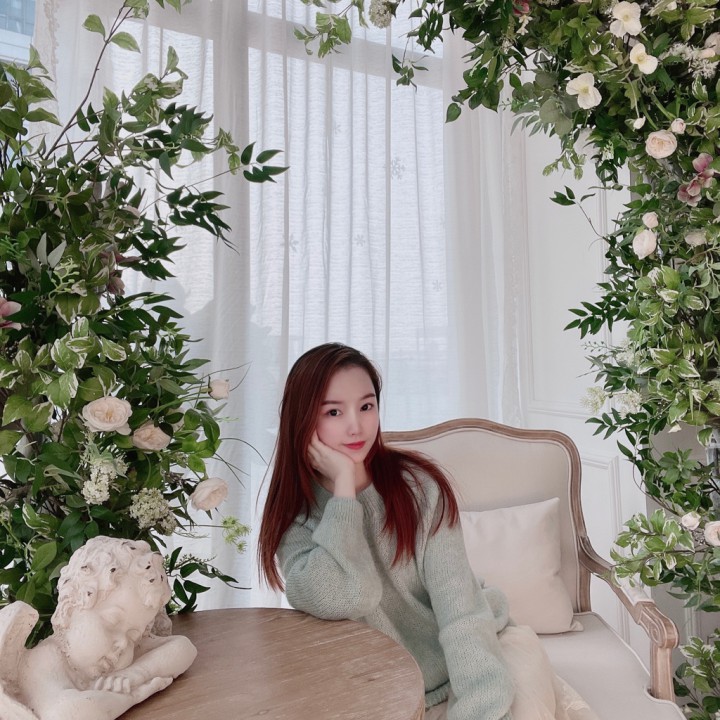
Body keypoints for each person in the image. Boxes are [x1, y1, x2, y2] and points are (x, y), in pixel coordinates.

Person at [258, 343, 598, 720]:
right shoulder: (296, 518)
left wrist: (478, 711)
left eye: (366, 406)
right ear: (303, 420)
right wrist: (344, 493)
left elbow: (462, 613)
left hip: (485, 654)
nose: (356, 426)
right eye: (334, 412)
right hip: (387, 689)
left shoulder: (418, 488)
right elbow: (349, 596)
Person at [0, 536, 196, 720]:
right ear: (72, 606)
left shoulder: (114, 652)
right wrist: (132, 696)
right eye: (113, 622)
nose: (123, 643)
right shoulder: (46, 658)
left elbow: (184, 648)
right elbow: (67, 714)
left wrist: (137, 673)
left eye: (134, 636)